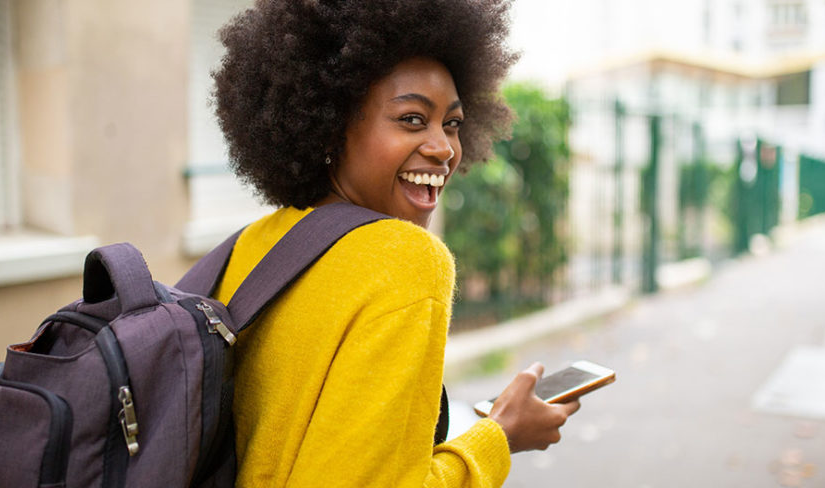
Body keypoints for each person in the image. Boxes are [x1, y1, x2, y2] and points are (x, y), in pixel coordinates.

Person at [211, 0, 581, 486]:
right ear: (330, 128)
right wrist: (500, 436)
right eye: (411, 119)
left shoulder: (252, 245)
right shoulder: (404, 260)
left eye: (451, 123)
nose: (444, 148)